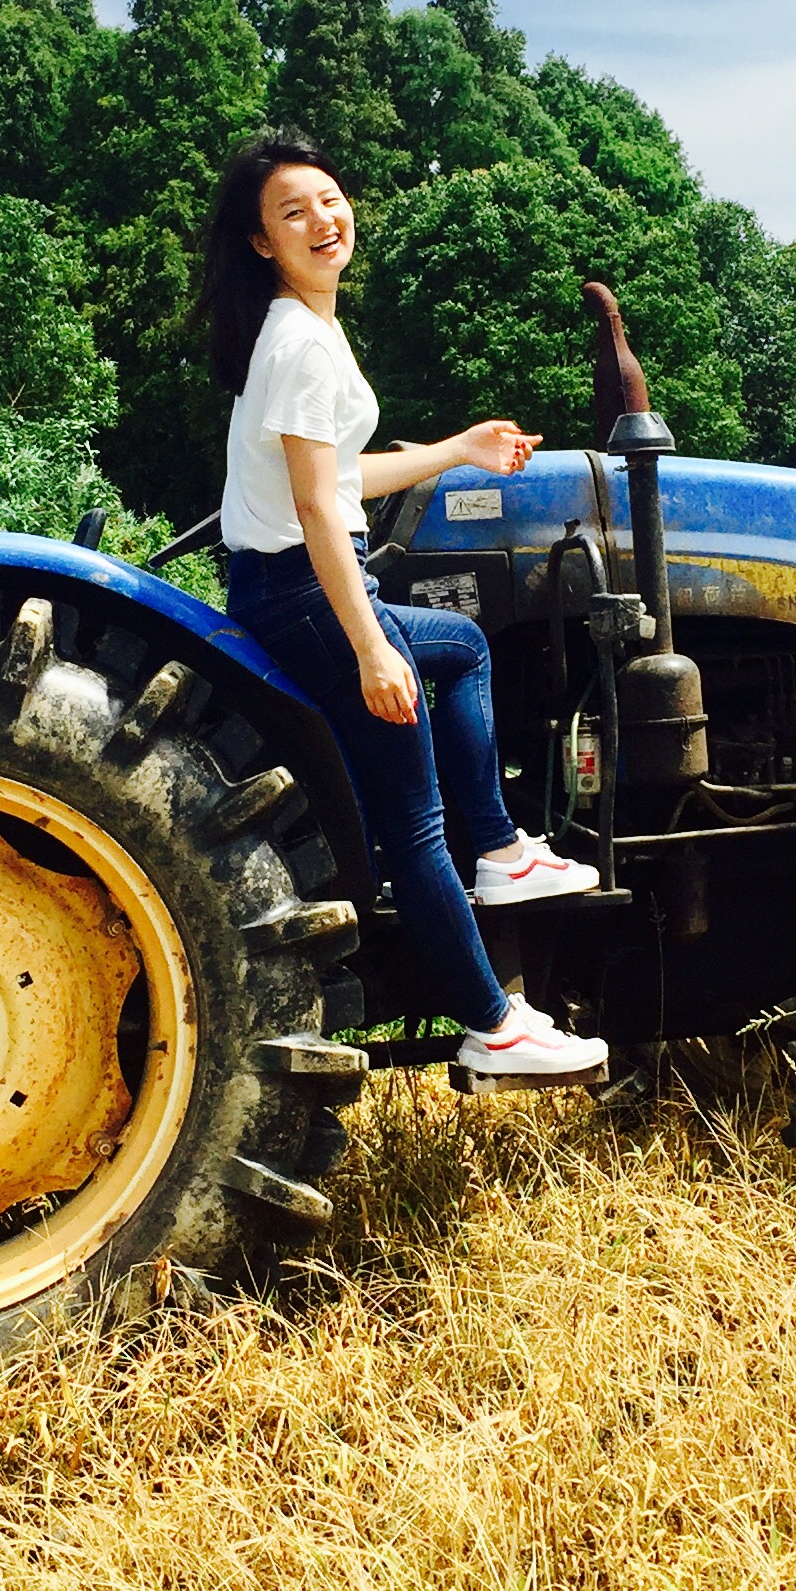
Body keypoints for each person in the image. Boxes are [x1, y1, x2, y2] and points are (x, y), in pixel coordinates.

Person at [202, 132, 609, 1089]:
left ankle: (505, 848)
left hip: (294, 583)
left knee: (463, 647)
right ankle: (493, 1025)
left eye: (329, 199)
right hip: (307, 593)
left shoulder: (304, 326)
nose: (321, 221)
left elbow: (341, 478)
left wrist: (458, 448)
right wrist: (370, 650)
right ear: (263, 242)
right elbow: (313, 511)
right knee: (415, 827)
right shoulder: (300, 341)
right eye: (292, 212)